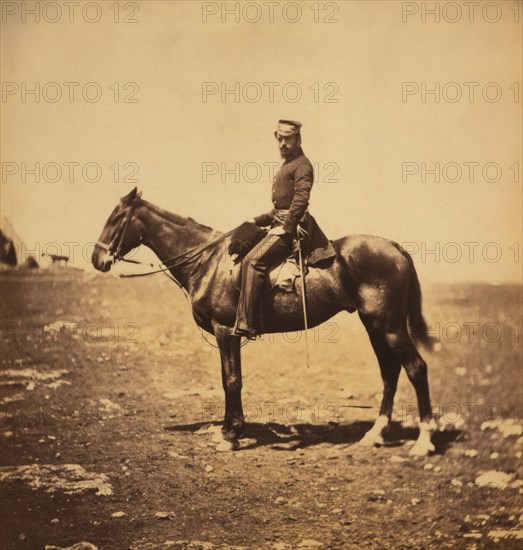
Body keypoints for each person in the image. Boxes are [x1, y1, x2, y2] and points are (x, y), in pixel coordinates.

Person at [233, 120, 336, 339]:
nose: (282, 143)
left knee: (252, 261)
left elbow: (301, 199)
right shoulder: (285, 167)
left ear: (298, 139)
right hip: (279, 223)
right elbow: (277, 209)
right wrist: (255, 220)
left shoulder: (302, 165)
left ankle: (248, 322)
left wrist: (287, 228)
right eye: (279, 139)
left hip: (295, 230)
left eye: (287, 138)